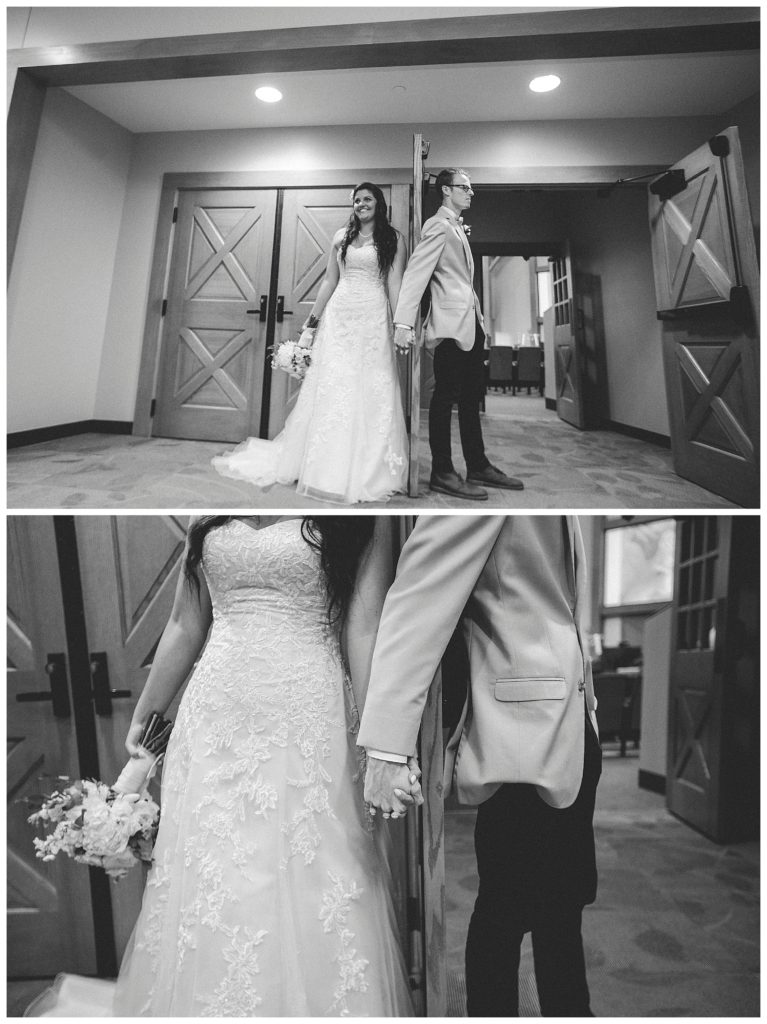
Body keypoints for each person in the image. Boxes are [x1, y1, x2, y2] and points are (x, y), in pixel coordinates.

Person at [28, 515, 416, 1017]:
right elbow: (185, 622)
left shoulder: (358, 512)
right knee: (213, 877)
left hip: (307, 720)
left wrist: (380, 743)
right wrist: (147, 717)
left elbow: (364, 628)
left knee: (309, 871)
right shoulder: (204, 508)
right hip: (214, 719)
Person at [358, 515, 601, 1016]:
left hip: (576, 724)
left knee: (563, 907)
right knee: (504, 911)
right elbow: (420, 598)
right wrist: (386, 743)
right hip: (521, 735)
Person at [212, 183, 409, 504]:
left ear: (379, 203)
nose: (361, 204)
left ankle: (367, 468)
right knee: (333, 385)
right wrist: (311, 325)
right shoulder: (340, 237)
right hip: (340, 317)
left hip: (373, 317)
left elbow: (395, 282)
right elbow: (330, 281)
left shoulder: (393, 239)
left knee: (373, 385)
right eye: (357, 200)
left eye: (367, 199)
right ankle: (322, 464)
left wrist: (403, 322)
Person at [392, 169, 524, 501]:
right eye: (465, 187)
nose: (471, 193)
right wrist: (404, 324)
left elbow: (463, 280)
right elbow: (416, 274)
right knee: (445, 396)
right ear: (447, 190)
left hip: (470, 323)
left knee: (471, 397)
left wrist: (480, 320)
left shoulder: (456, 225)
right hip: (450, 325)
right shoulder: (437, 225)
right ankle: (442, 472)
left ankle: (477, 464)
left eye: (471, 188)